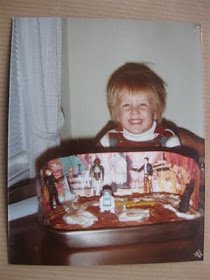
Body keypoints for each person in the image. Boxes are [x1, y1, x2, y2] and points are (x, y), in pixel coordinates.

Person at [96, 62, 181, 148]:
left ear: (155, 112)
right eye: (126, 105)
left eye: (142, 104)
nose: (134, 111)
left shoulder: (168, 141)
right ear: (117, 114)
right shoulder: (108, 141)